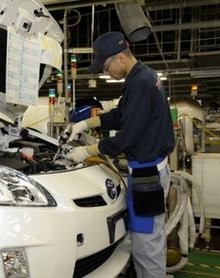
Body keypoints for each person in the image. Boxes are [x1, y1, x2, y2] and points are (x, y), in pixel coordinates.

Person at [65, 31, 175, 278]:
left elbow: (126, 139)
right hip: (147, 173)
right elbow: (119, 116)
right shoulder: (140, 77)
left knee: (147, 249)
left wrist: (87, 151)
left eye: (106, 66)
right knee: (146, 244)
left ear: (120, 59)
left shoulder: (141, 83)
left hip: (148, 179)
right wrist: (87, 124)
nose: (105, 73)